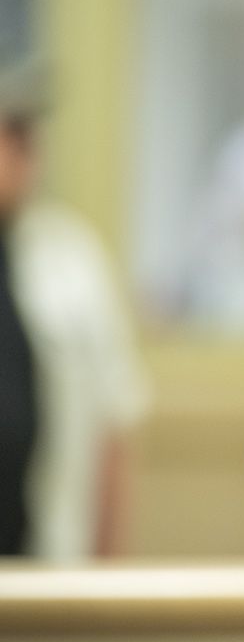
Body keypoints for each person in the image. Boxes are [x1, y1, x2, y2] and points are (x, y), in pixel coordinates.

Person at [0, 69, 146, 561]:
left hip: (48, 562)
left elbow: (115, 432)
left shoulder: (73, 260)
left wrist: (102, 582)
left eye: (25, 137)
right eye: (7, 133)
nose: (19, 153)